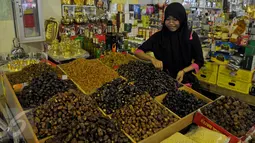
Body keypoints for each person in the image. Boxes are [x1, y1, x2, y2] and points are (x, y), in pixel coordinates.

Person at [134, 2, 204, 89]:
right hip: (163, 83)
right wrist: (152, 59)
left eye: (175, 19)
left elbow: (199, 61)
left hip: (185, 83)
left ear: (182, 19)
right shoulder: (159, 37)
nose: (171, 23)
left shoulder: (191, 36)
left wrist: (183, 71)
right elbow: (138, 52)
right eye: (168, 19)